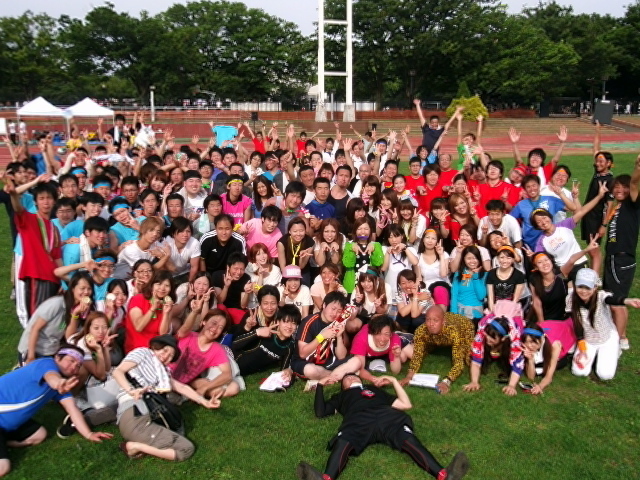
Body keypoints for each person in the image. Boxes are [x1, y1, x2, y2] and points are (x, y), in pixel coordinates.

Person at [296, 373, 469, 480]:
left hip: (388, 417)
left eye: (354, 376)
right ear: (343, 387)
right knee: (343, 441)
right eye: (346, 378)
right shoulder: (341, 397)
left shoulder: (375, 390)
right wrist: (320, 385)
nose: (351, 377)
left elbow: (406, 404)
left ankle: (444, 475)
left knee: (408, 439)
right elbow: (320, 412)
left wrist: (393, 380)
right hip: (358, 421)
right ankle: (326, 478)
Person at [0, 345, 112, 476]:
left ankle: (3, 442)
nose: (74, 367)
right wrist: (59, 383)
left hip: (5, 426)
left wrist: (89, 434)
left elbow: (73, 410)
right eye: (71, 360)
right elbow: (52, 378)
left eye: (78, 365)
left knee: (39, 435)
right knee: (3, 468)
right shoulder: (46, 364)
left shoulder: (62, 388)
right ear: (58, 358)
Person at [113, 334, 218, 461]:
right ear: (156, 347)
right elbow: (118, 372)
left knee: (179, 433)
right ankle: (134, 446)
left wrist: (205, 402)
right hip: (135, 412)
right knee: (186, 449)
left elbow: (182, 387)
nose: (166, 356)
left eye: (170, 356)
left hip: (152, 415)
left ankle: (142, 444)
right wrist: (131, 391)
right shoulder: (142, 353)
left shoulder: (163, 373)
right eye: (165, 350)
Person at [569, 269, 640, 381]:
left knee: (605, 375)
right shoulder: (571, 300)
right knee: (579, 372)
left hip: (607, 338)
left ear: (595, 287)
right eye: (580, 287)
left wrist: (627, 301)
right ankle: (595, 356)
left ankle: (614, 349)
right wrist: (582, 348)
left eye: (588, 288)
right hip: (588, 340)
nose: (583, 291)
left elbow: (612, 300)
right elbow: (577, 325)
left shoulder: (601, 296)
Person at [602, 156, 640, 350]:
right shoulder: (618, 207)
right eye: (616, 187)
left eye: (623, 187)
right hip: (612, 257)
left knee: (619, 301)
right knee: (611, 298)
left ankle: (621, 339)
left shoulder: (633, 204)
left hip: (622, 259)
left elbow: (634, 183)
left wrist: (637, 166)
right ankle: (615, 335)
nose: (619, 190)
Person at [400, 306, 475, 395]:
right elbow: (417, 355)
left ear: (443, 321)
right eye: (428, 320)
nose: (431, 324)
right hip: (440, 332)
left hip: (464, 325)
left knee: (468, 359)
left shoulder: (454, 332)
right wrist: (409, 376)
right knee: (424, 350)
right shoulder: (421, 331)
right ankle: (435, 343)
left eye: (435, 320)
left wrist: (446, 381)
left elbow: (458, 364)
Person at [291, 291, 361, 383]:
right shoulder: (309, 322)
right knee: (310, 370)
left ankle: (330, 376)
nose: (334, 313)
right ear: (324, 305)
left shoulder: (337, 323)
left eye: (339, 311)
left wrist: (339, 337)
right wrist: (322, 336)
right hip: (307, 362)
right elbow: (303, 354)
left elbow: (341, 356)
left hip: (328, 362)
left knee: (357, 361)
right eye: (333, 309)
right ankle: (339, 375)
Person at [463, 301, 524, 396]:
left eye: (492, 338)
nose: (488, 339)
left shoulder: (515, 336)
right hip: (490, 322)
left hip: (512, 327)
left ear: (503, 338)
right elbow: (476, 360)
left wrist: (511, 385)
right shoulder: (483, 330)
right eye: (487, 336)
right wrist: (474, 382)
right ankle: (493, 353)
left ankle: (499, 352)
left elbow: (518, 365)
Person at [233, 304, 301, 378]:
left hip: (240, 373)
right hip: (232, 362)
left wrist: (288, 373)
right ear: (278, 322)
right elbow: (235, 344)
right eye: (286, 322)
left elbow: (283, 370)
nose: (289, 326)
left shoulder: (289, 346)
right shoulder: (265, 331)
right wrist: (256, 333)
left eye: (294, 323)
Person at [350, 314, 412, 384]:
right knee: (358, 363)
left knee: (402, 357)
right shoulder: (361, 338)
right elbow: (360, 369)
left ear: (391, 334)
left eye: (386, 334)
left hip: (385, 352)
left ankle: (404, 336)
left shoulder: (394, 338)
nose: (382, 339)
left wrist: (396, 356)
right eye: (378, 334)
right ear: (372, 333)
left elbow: (395, 372)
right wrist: (373, 379)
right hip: (369, 353)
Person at [123, 270, 175, 354]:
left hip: (156, 349)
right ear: (152, 285)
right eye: (158, 284)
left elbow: (163, 334)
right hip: (137, 349)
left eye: (167, 285)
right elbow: (138, 327)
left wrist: (166, 313)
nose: (162, 288)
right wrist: (152, 309)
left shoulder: (167, 305)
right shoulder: (138, 299)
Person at [520, 322, 575, 395]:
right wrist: (530, 360)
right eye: (526, 342)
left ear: (541, 338)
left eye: (532, 342)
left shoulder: (554, 345)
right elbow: (531, 377)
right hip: (549, 327)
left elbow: (549, 377)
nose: (529, 346)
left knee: (560, 362)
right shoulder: (526, 344)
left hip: (568, 332)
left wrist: (540, 386)